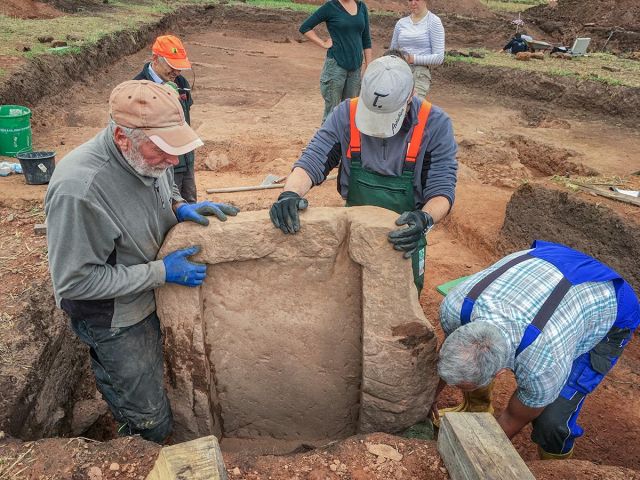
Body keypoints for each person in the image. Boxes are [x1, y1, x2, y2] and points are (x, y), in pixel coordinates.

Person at [44, 80, 239, 443]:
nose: (174, 161)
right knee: (150, 421)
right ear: (122, 137)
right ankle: (131, 441)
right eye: (163, 150)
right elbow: (75, 283)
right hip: (115, 318)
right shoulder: (80, 190)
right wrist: (161, 272)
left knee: (157, 378)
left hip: (148, 294)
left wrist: (178, 205)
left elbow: (163, 181)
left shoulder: (146, 156)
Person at [432, 240, 640, 459]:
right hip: (549, 259)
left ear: (500, 373)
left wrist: (476, 457)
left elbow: (513, 418)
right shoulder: (455, 308)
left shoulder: (544, 365)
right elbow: (452, 356)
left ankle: (555, 466)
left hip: (610, 300)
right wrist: (428, 398)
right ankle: (476, 409)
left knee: (552, 421)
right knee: (472, 365)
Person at [269, 55, 457, 293]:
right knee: (350, 293)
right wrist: (290, 193)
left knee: (401, 299)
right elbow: (314, 158)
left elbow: (442, 189)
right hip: (356, 230)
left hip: (406, 235)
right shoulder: (346, 113)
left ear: (410, 96)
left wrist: (424, 219)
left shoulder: (435, 124)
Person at [135, 35, 198, 203]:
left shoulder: (181, 82)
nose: (176, 72)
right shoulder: (138, 86)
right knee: (167, 207)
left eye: (179, 67)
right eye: (172, 66)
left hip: (185, 158)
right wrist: (163, 96)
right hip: (162, 165)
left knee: (191, 205)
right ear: (155, 59)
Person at [299, 0, 373, 123]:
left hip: (355, 68)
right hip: (336, 66)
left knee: (350, 112)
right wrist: (323, 43)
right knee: (332, 112)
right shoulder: (330, 7)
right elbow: (305, 27)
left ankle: (345, 136)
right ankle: (326, 136)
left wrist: (369, 65)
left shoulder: (361, 7)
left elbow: (366, 38)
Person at [390, 0, 445, 98]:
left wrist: (412, 59)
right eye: (410, 0)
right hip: (399, 71)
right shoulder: (401, 23)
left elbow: (439, 57)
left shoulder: (434, 22)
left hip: (419, 74)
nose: (413, 3)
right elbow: (392, 52)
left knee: (413, 104)